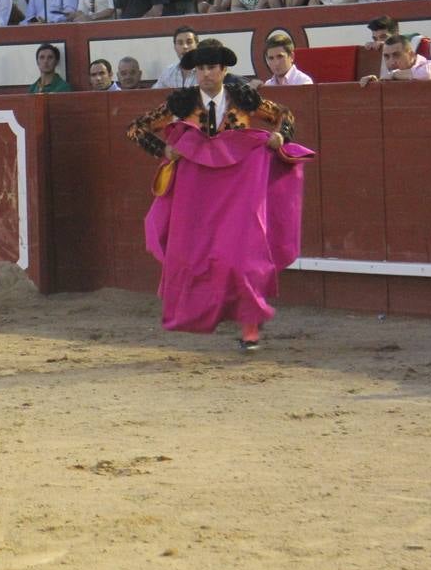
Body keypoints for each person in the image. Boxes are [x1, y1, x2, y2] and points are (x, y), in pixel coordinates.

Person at [126, 42, 305, 351]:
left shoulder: (244, 98)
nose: (205, 74)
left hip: (238, 190)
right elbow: (136, 129)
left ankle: (249, 328)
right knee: (195, 257)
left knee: (241, 258)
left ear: (224, 70)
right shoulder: (181, 103)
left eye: (211, 68)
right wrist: (163, 149)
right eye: (200, 69)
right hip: (196, 195)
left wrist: (280, 137)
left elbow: (284, 115)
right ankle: (205, 314)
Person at [359, 34, 431, 85]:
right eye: (387, 56)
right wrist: (375, 83)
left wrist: (393, 76)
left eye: (396, 55)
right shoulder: (393, 74)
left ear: (411, 54)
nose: (391, 61)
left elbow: (428, 75)